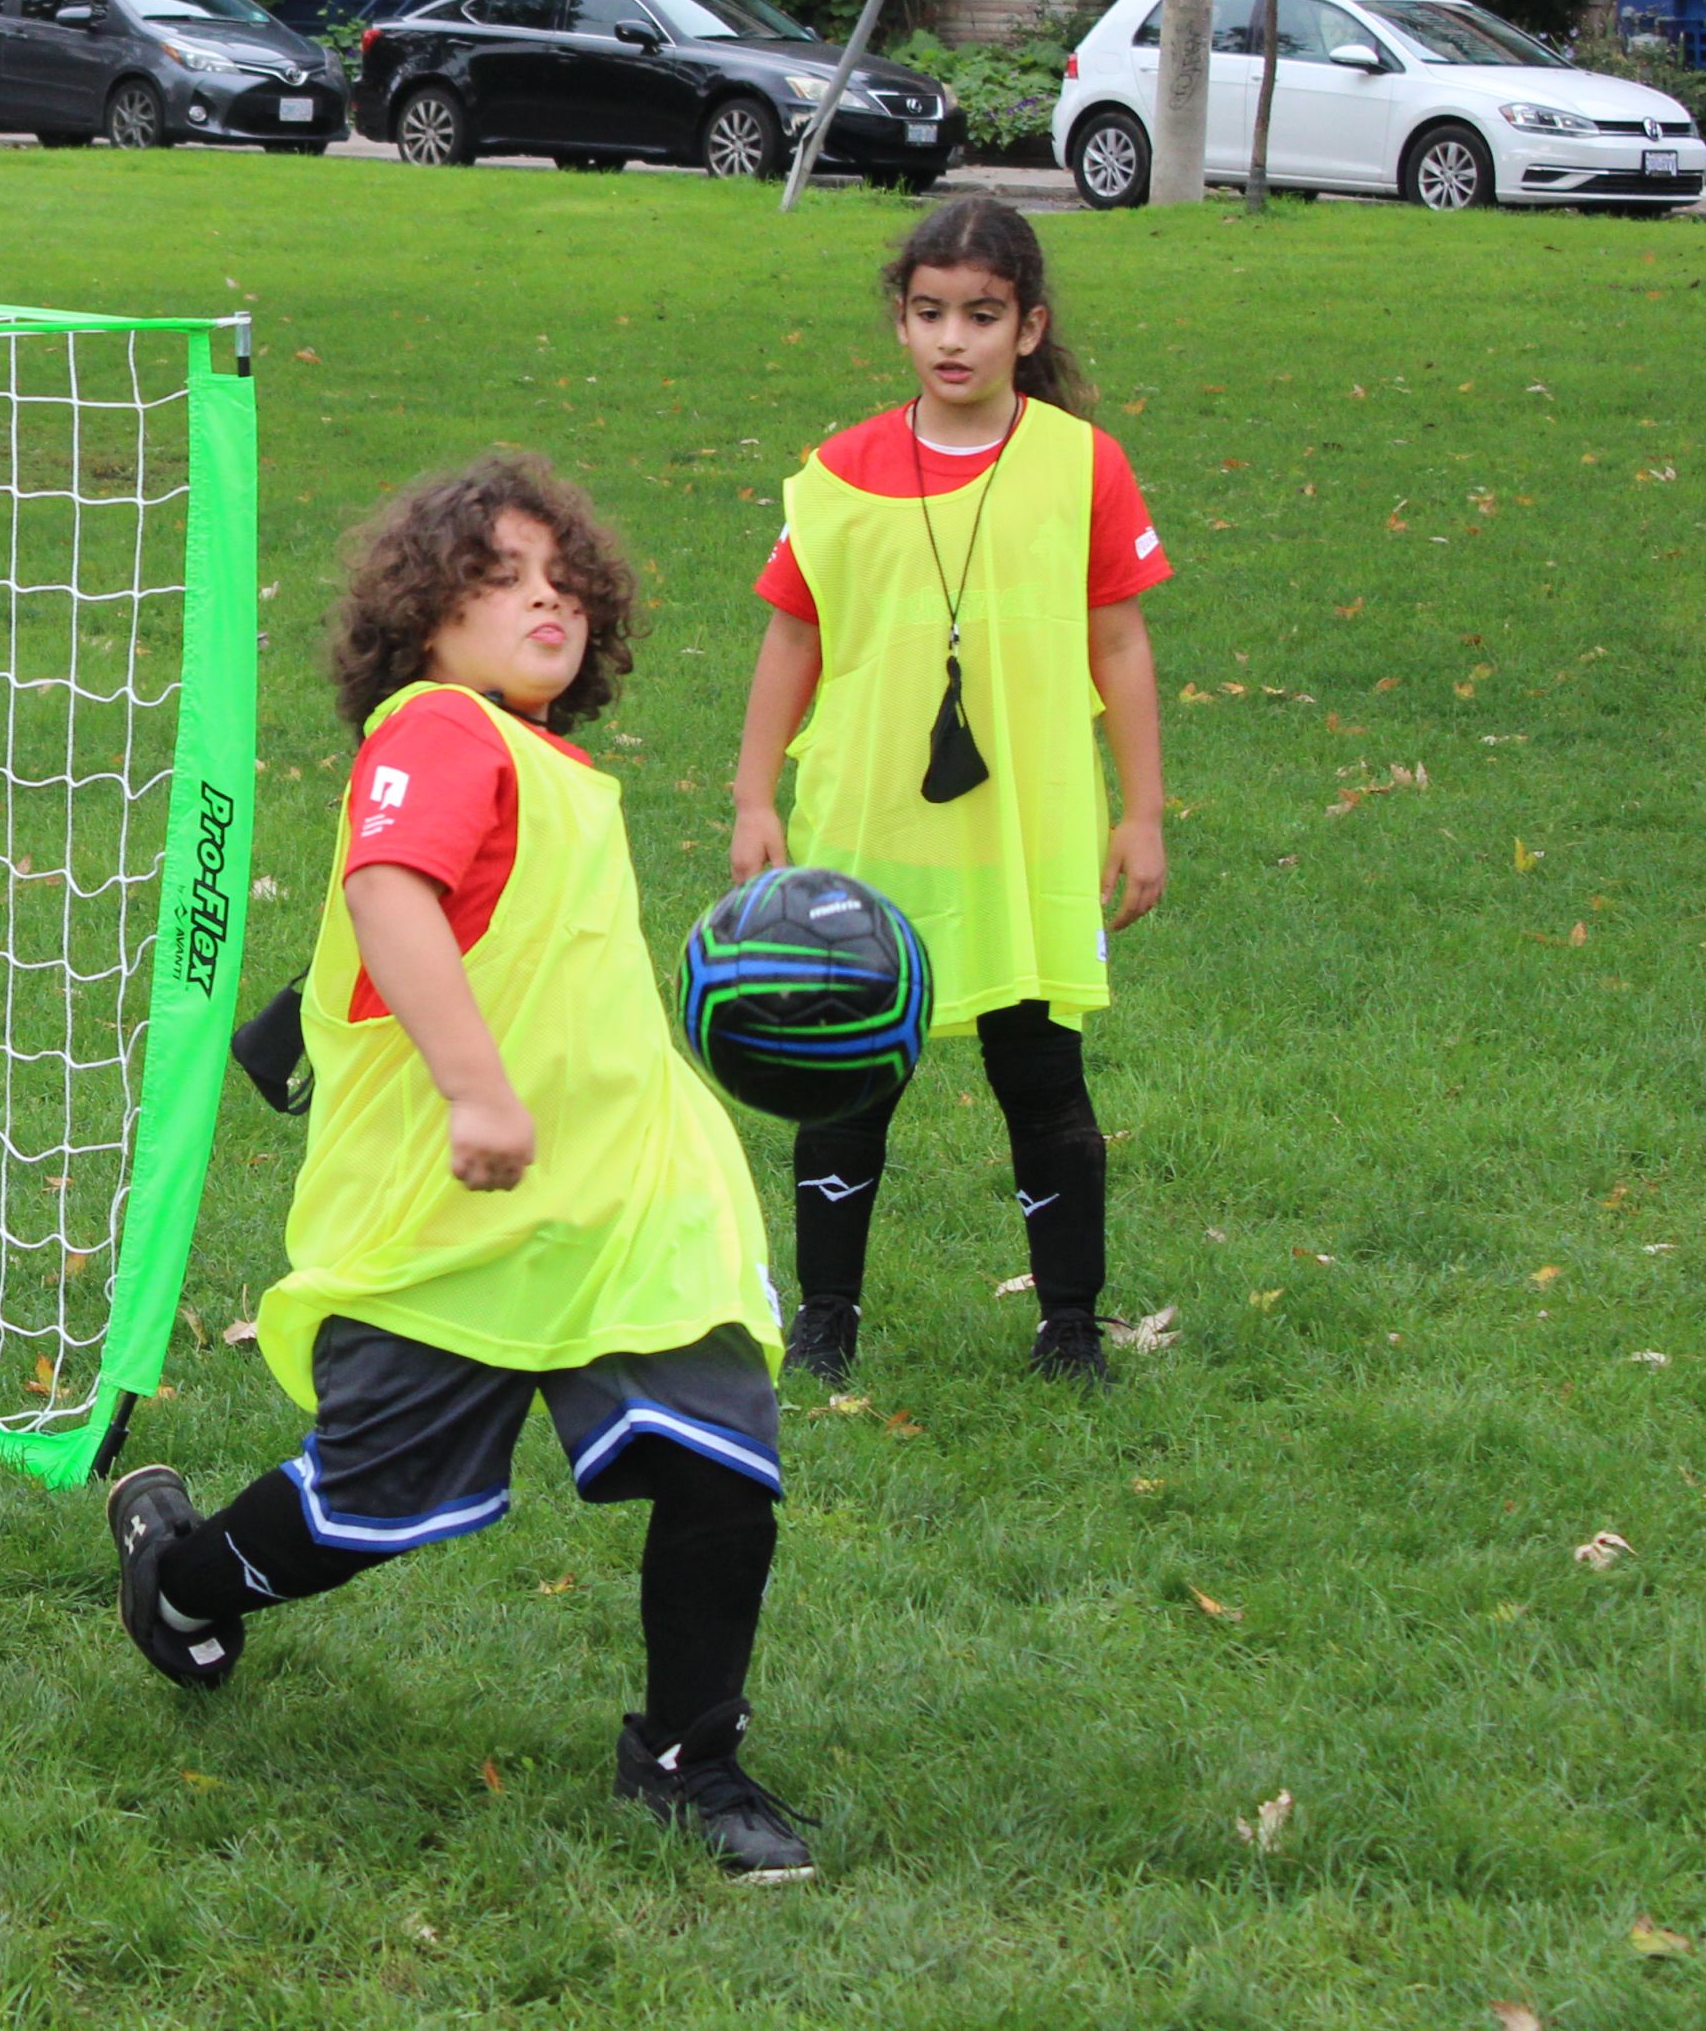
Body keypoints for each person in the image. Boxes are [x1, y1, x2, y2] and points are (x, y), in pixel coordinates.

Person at [108, 453, 813, 1883]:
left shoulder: (553, 768)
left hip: (626, 1203)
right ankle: (178, 1570)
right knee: (369, 1506)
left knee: (725, 1460)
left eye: (563, 577)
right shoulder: (436, 728)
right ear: (423, 616)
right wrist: (474, 1085)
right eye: (499, 576)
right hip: (459, 1218)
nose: (542, 596)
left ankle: (691, 1753)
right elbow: (387, 891)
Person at [727, 198, 1170, 1388]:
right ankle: (826, 1317)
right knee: (848, 1078)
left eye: (981, 315)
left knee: (1040, 1075)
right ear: (901, 321)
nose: (952, 340)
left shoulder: (1082, 463)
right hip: (869, 828)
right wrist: (753, 796)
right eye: (929, 314)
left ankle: (1069, 1321)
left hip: (1025, 831)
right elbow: (790, 640)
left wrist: (1139, 812)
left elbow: (1118, 644)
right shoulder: (836, 474)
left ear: (1028, 327)